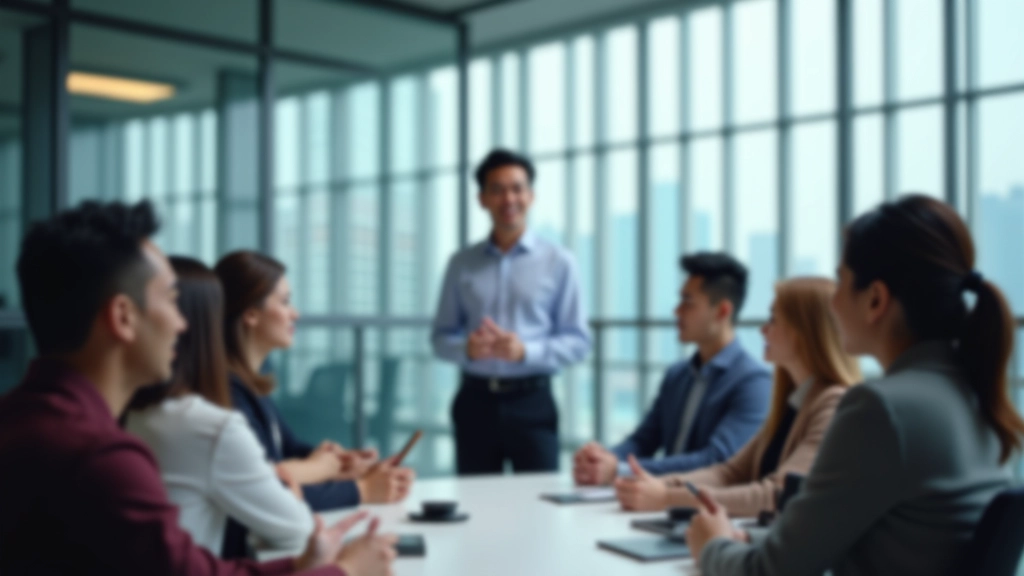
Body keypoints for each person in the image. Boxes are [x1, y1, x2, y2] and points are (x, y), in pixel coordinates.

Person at [0, 199, 395, 576]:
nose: (183, 324)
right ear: (123, 317)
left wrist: (297, 567)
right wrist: (345, 571)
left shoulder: (25, 418)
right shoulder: (101, 458)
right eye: (171, 301)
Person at [687, 195, 1024, 576]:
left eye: (841, 282)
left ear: (875, 300)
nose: (832, 302)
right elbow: (880, 536)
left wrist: (711, 544)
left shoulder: (881, 409)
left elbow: (770, 573)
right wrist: (753, 539)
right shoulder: (976, 396)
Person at [615, 277, 861, 517]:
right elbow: (728, 473)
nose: (763, 329)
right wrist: (654, 484)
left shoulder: (833, 404)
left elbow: (776, 494)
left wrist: (668, 498)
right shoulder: (792, 401)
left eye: (773, 319)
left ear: (803, 332)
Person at [126, 256, 314, 557]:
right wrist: (292, 490)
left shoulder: (132, 414)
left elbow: (288, 449)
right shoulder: (212, 427)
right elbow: (296, 527)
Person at [215, 250, 414, 515]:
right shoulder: (229, 394)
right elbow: (270, 491)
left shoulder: (252, 382)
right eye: (285, 302)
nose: (294, 314)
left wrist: (345, 466)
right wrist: (362, 490)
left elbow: (287, 450)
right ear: (251, 314)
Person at [431, 149, 592, 474]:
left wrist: (525, 352)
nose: (509, 198)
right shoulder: (460, 263)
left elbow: (578, 341)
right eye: (497, 189)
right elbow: (439, 337)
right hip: (474, 400)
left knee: (537, 507)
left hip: (532, 401)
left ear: (531, 196)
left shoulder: (559, 261)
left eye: (517, 188)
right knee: (475, 506)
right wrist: (466, 349)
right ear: (482, 199)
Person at [574, 253, 771, 484]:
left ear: (722, 311)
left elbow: (715, 460)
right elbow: (643, 441)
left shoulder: (754, 382)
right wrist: (602, 458)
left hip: (706, 509)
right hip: (659, 503)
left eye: (688, 302)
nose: (677, 311)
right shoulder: (678, 374)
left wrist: (621, 470)